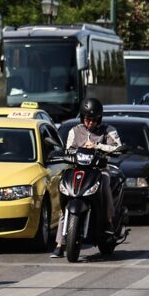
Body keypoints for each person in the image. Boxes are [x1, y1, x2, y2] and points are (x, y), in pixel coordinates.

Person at [53, 97, 122, 258]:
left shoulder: (108, 130)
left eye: (93, 120)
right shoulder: (75, 131)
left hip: (99, 171)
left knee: (105, 183)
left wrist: (98, 146)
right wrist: (69, 153)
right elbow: (68, 149)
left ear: (99, 118)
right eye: (87, 119)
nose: (90, 123)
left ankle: (109, 221)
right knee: (67, 194)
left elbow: (117, 148)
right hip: (78, 171)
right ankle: (59, 243)